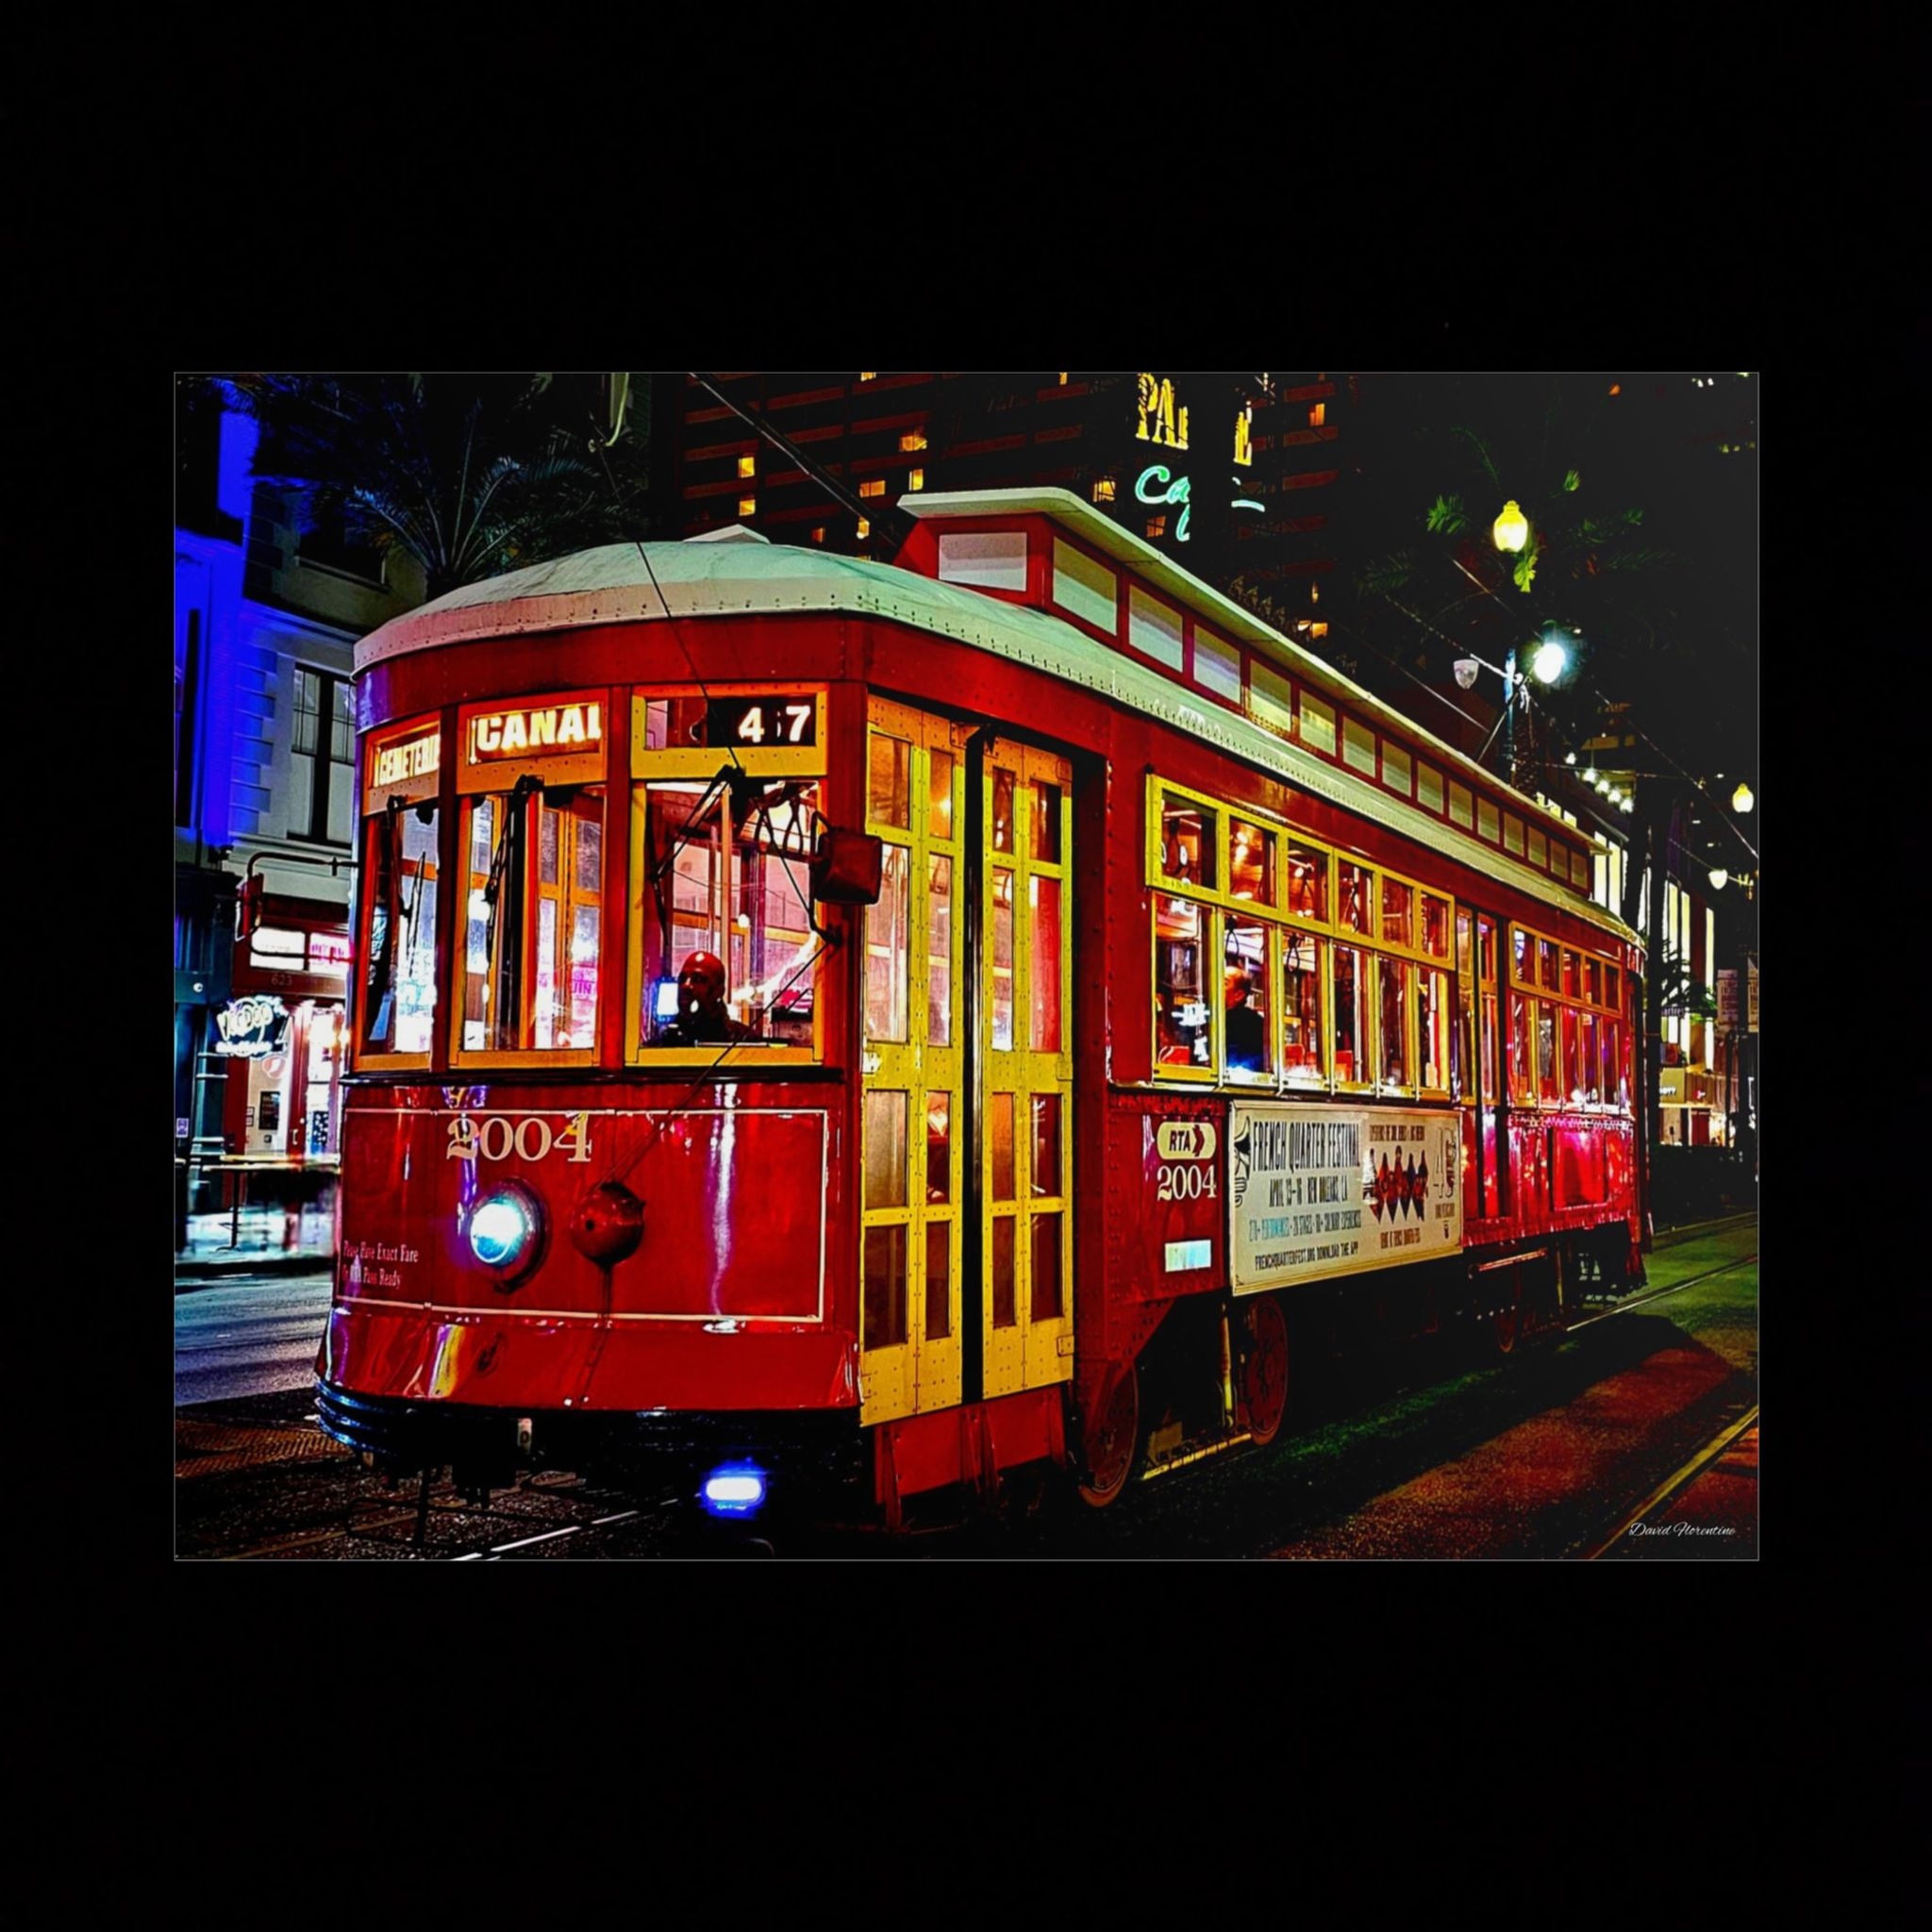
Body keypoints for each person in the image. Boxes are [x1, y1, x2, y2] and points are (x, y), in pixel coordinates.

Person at [652, 950, 753, 1046]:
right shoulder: (663, 1042)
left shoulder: (744, 1040)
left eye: (698, 979)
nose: (686, 986)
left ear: (719, 991)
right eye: (682, 979)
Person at [1224, 968, 1265, 1072]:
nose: (1215, 986)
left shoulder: (1252, 1024)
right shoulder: (1208, 1019)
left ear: (1239, 995)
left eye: (1224, 983)